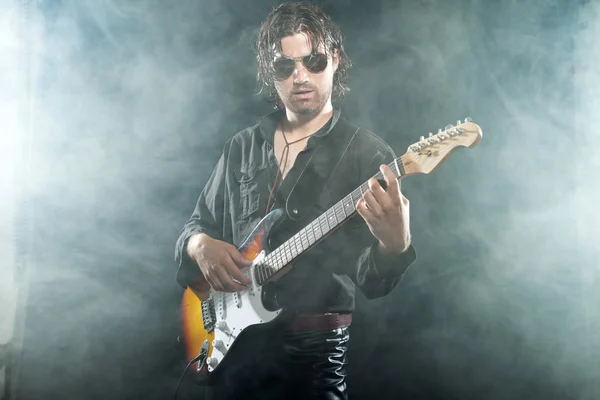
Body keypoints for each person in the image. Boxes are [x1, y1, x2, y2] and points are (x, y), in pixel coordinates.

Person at [174, 2, 417, 399]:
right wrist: (199, 245)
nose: (300, 77)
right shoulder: (242, 146)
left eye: (314, 61)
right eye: (285, 67)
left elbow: (373, 281)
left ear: (335, 59)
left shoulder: (367, 155)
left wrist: (395, 244)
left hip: (312, 356)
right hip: (233, 353)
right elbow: (194, 226)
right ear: (271, 74)